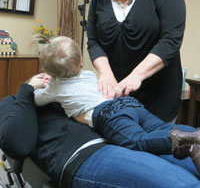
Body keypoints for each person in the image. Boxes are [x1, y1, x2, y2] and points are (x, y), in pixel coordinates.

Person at [1, 75, 200, 188]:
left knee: (188, 139)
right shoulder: (15, 102)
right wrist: (26, 89)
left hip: (117, 139)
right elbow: (17, 144)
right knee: (186, 184)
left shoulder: (68, 91)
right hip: (88, 154)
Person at [34, 35, 200, 167]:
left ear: (50, 72)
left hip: (108, 114)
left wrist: (40, 84)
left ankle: (185, 142)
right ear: (80, 61)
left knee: (137, 141)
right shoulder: (89, 75)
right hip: (128, 103)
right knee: (161, 127)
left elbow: (37, 99)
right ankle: (193, 133)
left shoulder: (56, 88)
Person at [84, 0, 186, 123]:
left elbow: (171, 39)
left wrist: (136, 76)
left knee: (155, 149)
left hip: (159, 99)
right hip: (119, 98)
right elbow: (93, 42)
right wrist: (105, 74)